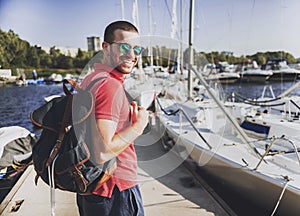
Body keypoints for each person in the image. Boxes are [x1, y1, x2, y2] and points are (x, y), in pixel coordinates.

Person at [77, 21, 149, 216]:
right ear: (106, 48)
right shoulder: (110, 86)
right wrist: (139, 126)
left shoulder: (92, 78)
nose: (132, 55)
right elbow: (103, 151)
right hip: (116, 191)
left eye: (137, 49)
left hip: (94, 187)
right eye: (124, 47)